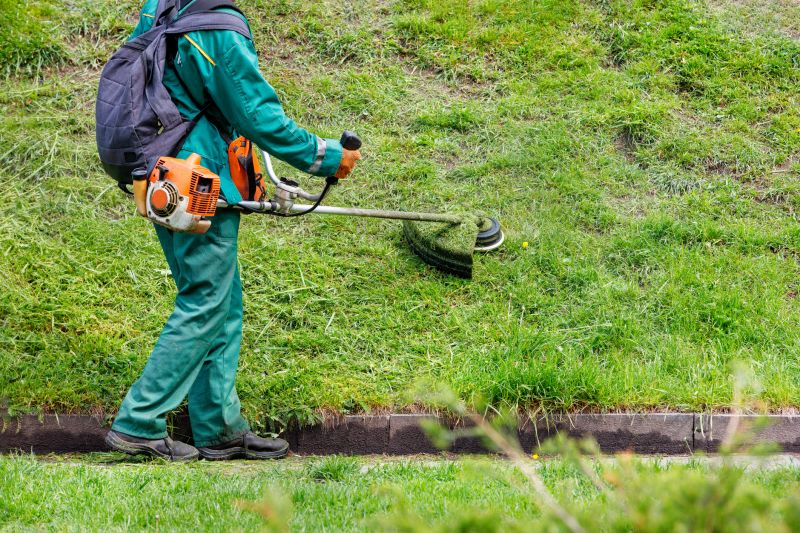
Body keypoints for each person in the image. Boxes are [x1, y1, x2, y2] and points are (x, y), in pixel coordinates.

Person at [105, 0, 361, 461]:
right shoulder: (219, 27)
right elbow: (257, 115)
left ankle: (217, 426)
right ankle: (139, 421)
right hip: (199, 178)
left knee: (222, 299)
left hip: (163, 174)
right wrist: (326, 156)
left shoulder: (164, 6)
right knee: (205, 298)